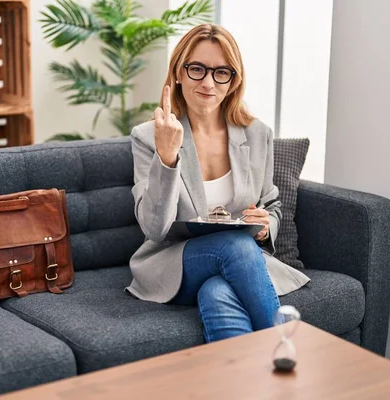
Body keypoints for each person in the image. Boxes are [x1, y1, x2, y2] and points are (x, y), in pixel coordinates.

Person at [125, 24, 310, 342]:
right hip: (174, 262)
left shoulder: (257, 134)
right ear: (179, 73)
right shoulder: (148, 136)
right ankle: (284, 348)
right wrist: (168, 157)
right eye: (197, 69)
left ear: (233, 81)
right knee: (234, 245)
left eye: (221, 72)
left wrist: (265, 227)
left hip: (235, 264)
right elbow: (154, 228)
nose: (208, 82)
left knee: (218, 292)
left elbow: (272, 204)